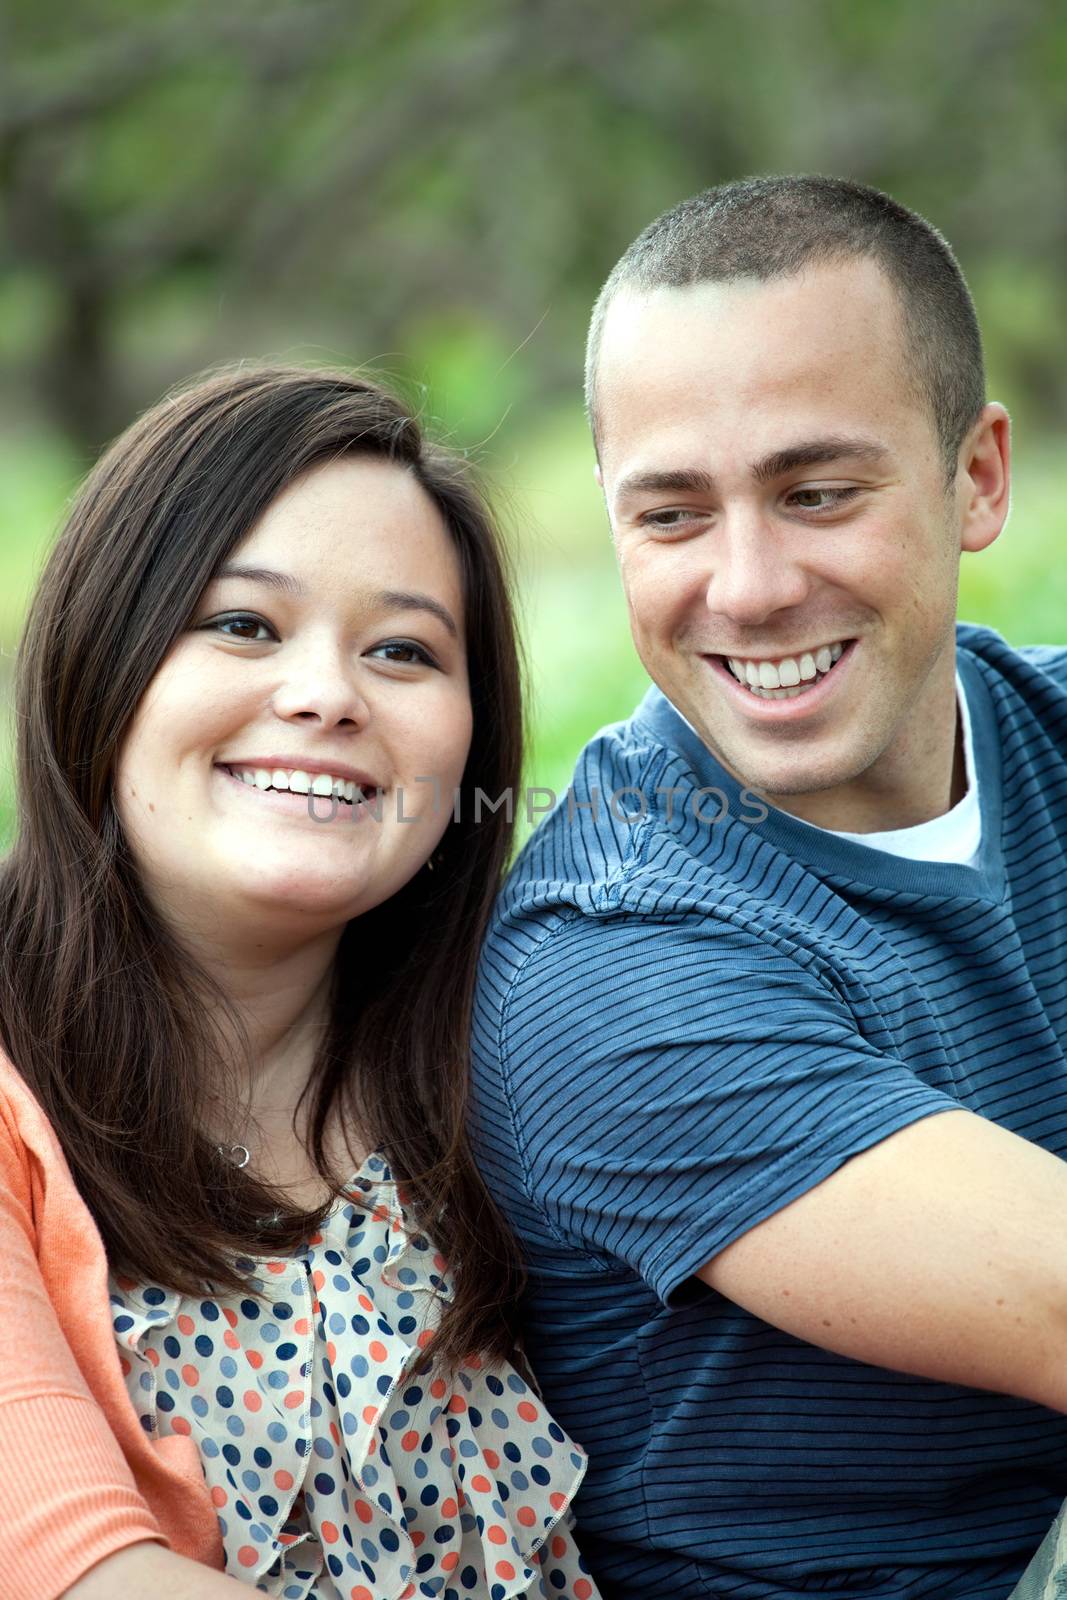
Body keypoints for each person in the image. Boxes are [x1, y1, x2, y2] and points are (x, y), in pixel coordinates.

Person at [468, 175, 1067, 1598]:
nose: (743, 586)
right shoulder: (602, 961)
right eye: (670, 515)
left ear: (972, 477)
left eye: (815, 492)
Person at [0, 365, 599, 1600]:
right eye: (243, 625)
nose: (326, 694)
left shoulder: (518, 1058)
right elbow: (73, 1571)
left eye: (401, 649)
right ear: (100, 655)